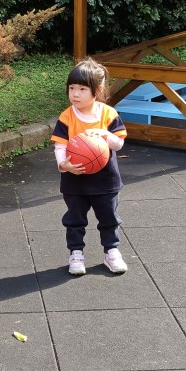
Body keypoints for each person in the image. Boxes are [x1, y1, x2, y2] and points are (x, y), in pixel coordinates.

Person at [50, 57, 128, 276]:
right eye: (72, 88)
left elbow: (118, 143)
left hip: (106, 179)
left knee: (109, 217)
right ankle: (76, 253)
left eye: (82, 89)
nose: (75, 94)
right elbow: (59, 146)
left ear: (97, 90)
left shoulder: (108, 114)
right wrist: (63, 164)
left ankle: (111, 251)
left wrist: (105, 135)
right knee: (74, 219)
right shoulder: (66, 117)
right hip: (75, 178)